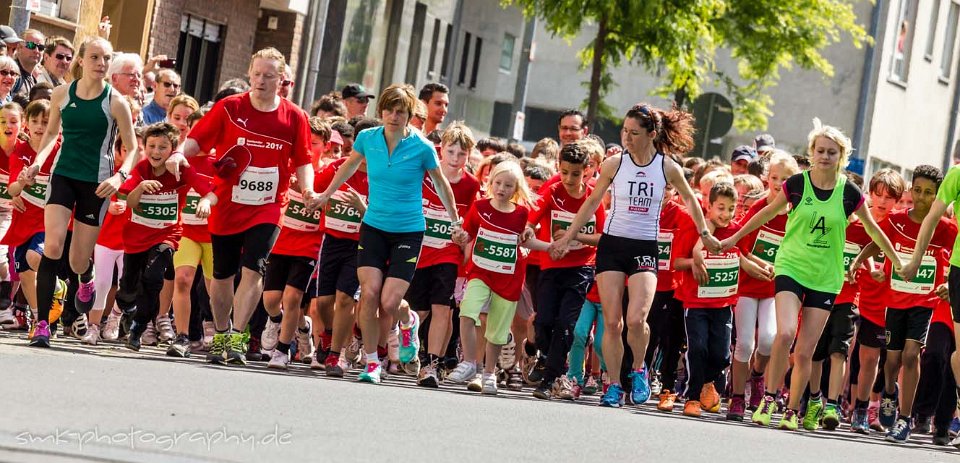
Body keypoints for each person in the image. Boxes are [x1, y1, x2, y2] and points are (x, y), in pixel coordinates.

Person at [720, 119, 902, 431]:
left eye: (832, 152)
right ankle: (769, 398)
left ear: (840, 156)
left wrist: (899, 262)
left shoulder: (850, 193)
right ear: (812, 152)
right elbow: (766, 212)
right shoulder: (796, 185)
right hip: (791, 267)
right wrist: (732, 239)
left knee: (805, 351)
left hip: (826, 276)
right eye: (820, 150)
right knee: (785, 333)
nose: (825, 156)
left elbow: (873, 228)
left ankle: (792, 410)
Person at [550, 103, 722, 408]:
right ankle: (614, 384)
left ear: (651, 134)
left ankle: (639, 369)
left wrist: (705, 233)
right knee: (613, 322)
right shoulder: (614, 164)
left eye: (634, 133)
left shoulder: (667, 167)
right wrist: (569, 236)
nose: (627, 138)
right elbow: (591, 202)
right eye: (624, 131)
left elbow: (692, 201)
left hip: (644, 247)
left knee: (637, 319)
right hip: (613, 246)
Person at [165, 47, 315, 365]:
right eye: (257, 74)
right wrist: (180, 153)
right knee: (222, 276)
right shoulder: (229, 107)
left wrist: (310, 188)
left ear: (282, 79)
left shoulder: (295, 117)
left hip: (269, 205)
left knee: (255, 267)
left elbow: (303, 160)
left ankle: (236, 335)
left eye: (269, 76)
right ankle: (220, 332)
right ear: (250, 74)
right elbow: (197, 139)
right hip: (228, 203)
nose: (261, 80)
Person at [314, 83, 461, 384]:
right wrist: (325, 194)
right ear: (381, 111)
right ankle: (371, 362)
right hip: (374, 227)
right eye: (389, 110)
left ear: (409, 115)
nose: (394, 116)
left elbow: (441, 183)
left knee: (389, 303)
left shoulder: (421, 146)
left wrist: (456, 220)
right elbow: (347, 167)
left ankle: (407, 324)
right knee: (368, 294)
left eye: (401, 111)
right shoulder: (368, 139)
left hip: (408, 231)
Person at [20, 38, 141, 348]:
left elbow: (132, 148)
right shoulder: (62, 94)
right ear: (82, 61)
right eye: (95, 57)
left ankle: (84, 277)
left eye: (106, 58)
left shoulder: (116, 102)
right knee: (54, 245)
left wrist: (120, 177)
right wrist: (36, 163)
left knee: (76, 261)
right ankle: (43, 323)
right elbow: (50, 135)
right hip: (63, 176)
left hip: (96, 183)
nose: (101, 63)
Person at [853, 166, 955, 443]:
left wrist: (948, 283)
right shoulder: (897, 220)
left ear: (938, 196)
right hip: (895, 299)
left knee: (911, 355)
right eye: (918, 191)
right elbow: (878, 242)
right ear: (911, 190)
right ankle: (888, 391)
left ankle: (904, 419)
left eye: (929, 193)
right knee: (893, 359)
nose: (922, 198)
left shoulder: (945, 227)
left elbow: (955, 257)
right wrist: (860, 259)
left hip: (924, 300)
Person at [447, 161, 549, 394]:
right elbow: (466, 234)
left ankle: (490, 373)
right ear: (490, 183)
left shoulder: (522, 214)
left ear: (517, 189)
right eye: (498, 183)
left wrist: (549, 246)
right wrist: (460, 238)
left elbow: (527, 240)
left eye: (509, 185)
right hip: (480, 273)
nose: (502, 188)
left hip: (509, 278)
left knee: (497, 329)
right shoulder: (480, 207)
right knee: (467, 311)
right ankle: (470, 362)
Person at [118, 123, 215, 350]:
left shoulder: (182, 170)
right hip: (136, 238)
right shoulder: (141, 169)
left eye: (163, 147)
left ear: (173, 150)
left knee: (153, 278)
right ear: (145, 148)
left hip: (167, 235)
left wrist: (205, 201)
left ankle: (139, 327)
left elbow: (208, 192)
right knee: (128, 290)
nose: (156, 152)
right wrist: (141, 187)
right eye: (151, 146)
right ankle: (129, 311)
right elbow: (129, 202)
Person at [526, 140, 604, 399]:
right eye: (565, 172)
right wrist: (529, 227)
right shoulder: (553, 191)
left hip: (581, 268)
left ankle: (550, 379)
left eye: (576, 173)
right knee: (545, 320)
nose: (569, 179)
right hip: (551, 266)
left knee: (566, 324)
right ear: (558, 168)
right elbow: (534, 216)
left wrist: (577, 236)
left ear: (587, 171)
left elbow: (604, 236)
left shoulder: (594, 197)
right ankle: (547, 357)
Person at [725, 151, 800, 420]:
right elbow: (741, 245)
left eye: (787, 179)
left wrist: (778, 269)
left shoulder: (797, 214)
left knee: (768, 340)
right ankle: (736, 398)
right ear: (767, 179)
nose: (780, 184)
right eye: (775, 178)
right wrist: (752, 263)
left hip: (775, 288)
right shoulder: (760, 208)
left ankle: (757, 376)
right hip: (748, 285)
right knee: (744, 343)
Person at [410, 121, 480, 387]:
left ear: (469, 155)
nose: (455, 159)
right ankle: (406, 349)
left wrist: (464, 240)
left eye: (462, 154)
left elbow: (472, 223)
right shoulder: (425, 175)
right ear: (441, 151)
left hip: (447, 255)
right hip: (418, 251)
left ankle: (431, 364)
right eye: (451, 152)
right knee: (419, 311)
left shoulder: (472, 185)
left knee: (442, 309)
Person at [898, 162, 960, 448]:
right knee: (950, 353)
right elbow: (933, 216)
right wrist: (915, 259)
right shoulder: (957, 175)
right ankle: (937, 418)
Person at [674, 182, 744, 417]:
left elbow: (743, 258)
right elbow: (676, 262)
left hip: (724, 304)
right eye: (721, 208)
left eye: (731, 208)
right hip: (695, 303)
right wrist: (695, 262)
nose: (726, 214)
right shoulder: (696, 228)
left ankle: (707, 383)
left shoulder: (736, 230)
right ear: (708, 206)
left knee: (722, 354)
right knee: (698, 348)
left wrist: (766, 269)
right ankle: (692, 397)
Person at [11, 29, 45, 103]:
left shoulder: (33, 80)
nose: (36, 51)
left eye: (41, 48)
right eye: (31, 45)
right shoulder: (11, 73)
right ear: (19, 47)